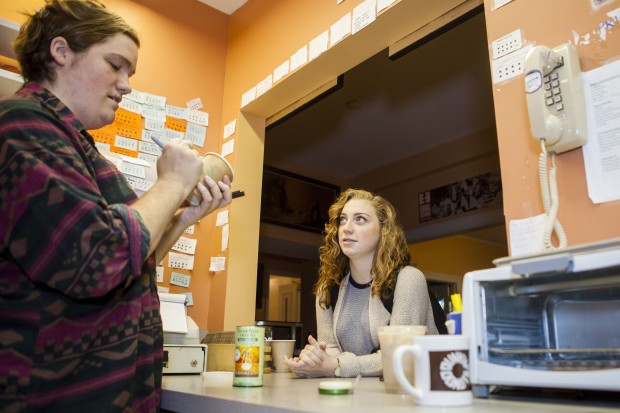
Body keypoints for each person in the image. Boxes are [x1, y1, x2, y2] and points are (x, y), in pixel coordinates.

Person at [0, 1, 231, 412]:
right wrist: (174, 181)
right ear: (61, 51)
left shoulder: (84, 152)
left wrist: (182, 218)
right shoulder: (22, 125)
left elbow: (130, 263)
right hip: (55, 397)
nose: (126, 85)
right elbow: (99, 259)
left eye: (130, 73)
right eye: (116, 64)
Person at [283, 189, 438, 378]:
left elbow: (398, 358)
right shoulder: (327, 289)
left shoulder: (409, 280)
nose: (347, 228)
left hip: (415, 394)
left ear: (383, 230)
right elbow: (330, 350)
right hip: (357, 394)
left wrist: (337, 365)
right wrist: (315, 360)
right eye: (343, 220)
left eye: (360, 219)